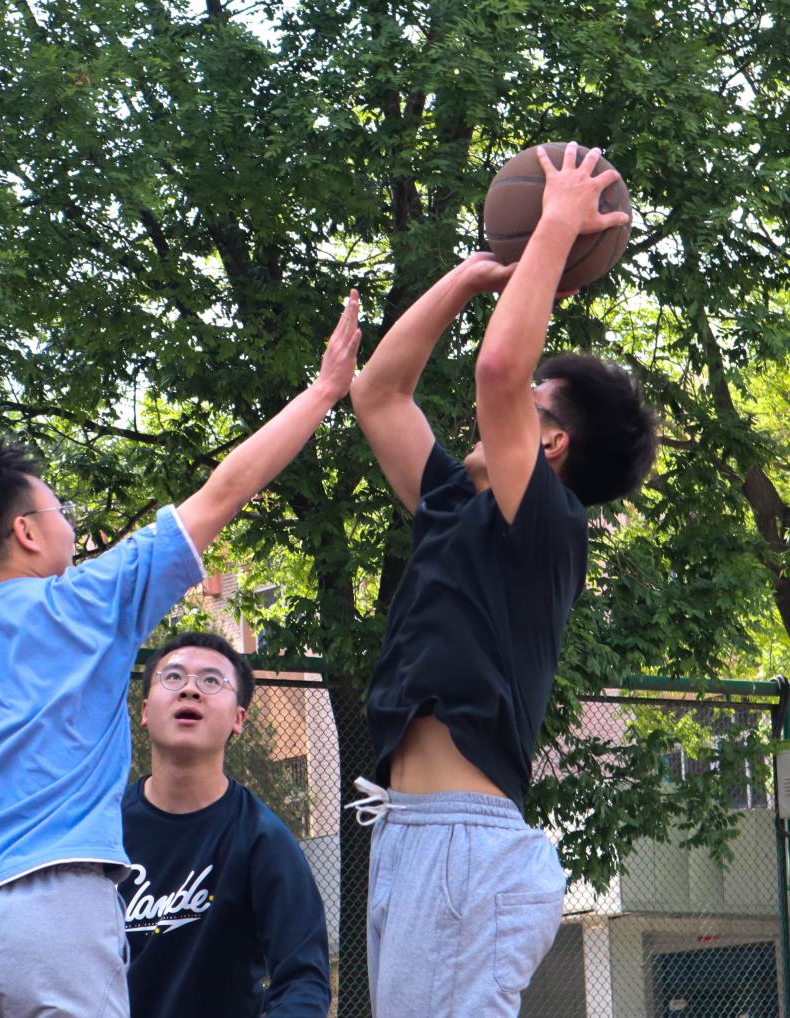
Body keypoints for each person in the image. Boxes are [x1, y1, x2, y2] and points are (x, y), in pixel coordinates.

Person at [0, 297, 360, 1016]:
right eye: (61, 511)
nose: (71, 525)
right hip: (55, 910)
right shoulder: (91, 602)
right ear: (27, 532)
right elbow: (226, 489)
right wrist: (324, 391)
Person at [348, 142, 657, 1017]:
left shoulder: (547, 529)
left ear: (551, 443)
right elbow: (378, 395)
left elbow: (497, 369)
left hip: (462, 847)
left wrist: (553, 226)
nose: (492, 409)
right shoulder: (455, 506)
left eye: (531, 404)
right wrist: (468, 277)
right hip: (410, 837)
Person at [119, 631, 330, 1018]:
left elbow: (303, 979)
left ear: (238, 718)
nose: (190, 690)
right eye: (173, 676)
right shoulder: (100, 831)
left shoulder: (263, 839)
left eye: (212, 680)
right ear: (145, 710)